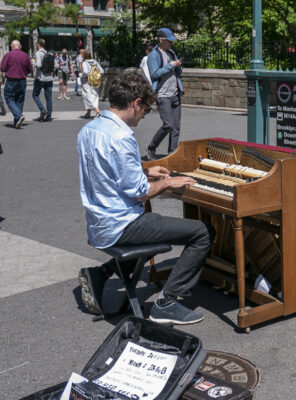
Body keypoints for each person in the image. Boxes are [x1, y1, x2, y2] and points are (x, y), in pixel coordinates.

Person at [77, 72, 215, 325]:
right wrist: (168, 182)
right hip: (122, 226)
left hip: (99, 223)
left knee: (153, 222)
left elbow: (108, 167)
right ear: (136, 103)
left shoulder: (90, 129)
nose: (145, 115)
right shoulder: (122, 136)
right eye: (146, 109)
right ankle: (167, 302)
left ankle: (102, 273)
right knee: (202, 232)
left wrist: (145, 169)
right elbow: (140, 192)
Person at [145, 28, 184, 160]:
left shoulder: (171, 52)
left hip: (175, 93)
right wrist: (170, 66)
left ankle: (172, 155)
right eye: (169, 41)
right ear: (161, 40)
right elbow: (154, 74)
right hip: (163, 94)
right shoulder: (154, 55)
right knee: (168, 124)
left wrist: (178, 65)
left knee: (176, 128)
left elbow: (179, 72)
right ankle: (152, 146)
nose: (171, 44)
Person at [0, 40, 32, 128]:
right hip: (22, 80)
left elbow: (2, 68)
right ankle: (17, 122)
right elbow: (30, 70)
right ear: (19, 46)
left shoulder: (8, 55)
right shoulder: (25, 55)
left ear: (11, 46)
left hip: (11, 80)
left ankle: (18, 116)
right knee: (19, 100)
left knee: (9, 99)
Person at [32, 38, 54, 122]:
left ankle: (42, 109)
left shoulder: (38, 53)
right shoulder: (49, 53)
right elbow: (54, 66)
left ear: (38, 44)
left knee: (35, 95)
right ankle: (49, 116)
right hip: (49, 78)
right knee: (49, 98)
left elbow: (38, 65)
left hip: (40, 78)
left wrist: (33, 62)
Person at [79, 50, 104, 119]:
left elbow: (85, 72)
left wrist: (81, 75)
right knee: (94, 96)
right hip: (95, 82)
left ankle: (97, 111)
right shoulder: (95, 62)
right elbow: (102, 71)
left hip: (86, 82)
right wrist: (95, 75)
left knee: (88, 97)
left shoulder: (84, 63)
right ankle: (88, 113)